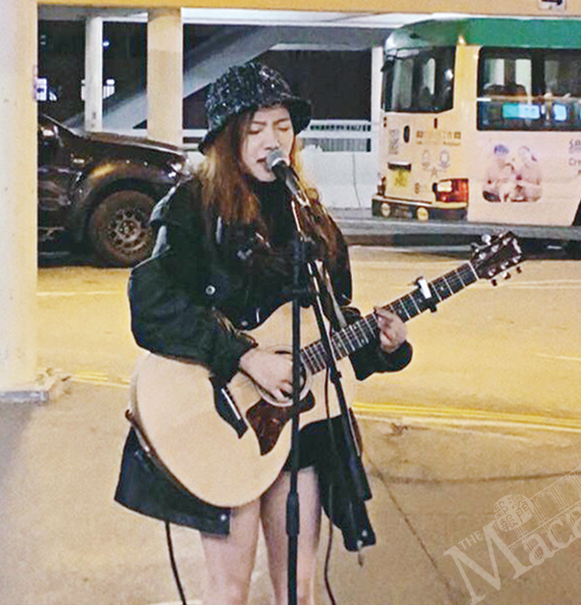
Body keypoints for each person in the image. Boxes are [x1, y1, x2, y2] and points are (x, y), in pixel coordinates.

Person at [114, 62, 412, 605]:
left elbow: (331, 313)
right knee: (229, 591)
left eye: (282, 126)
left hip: (298, 426)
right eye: (255, 129)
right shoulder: (193, 207)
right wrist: (245, 357)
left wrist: (382, 343)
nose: (272, 141)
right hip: (223, 422)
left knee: (298, 586)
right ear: (227, 140)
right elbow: (152, 305)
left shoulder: (308, 215)